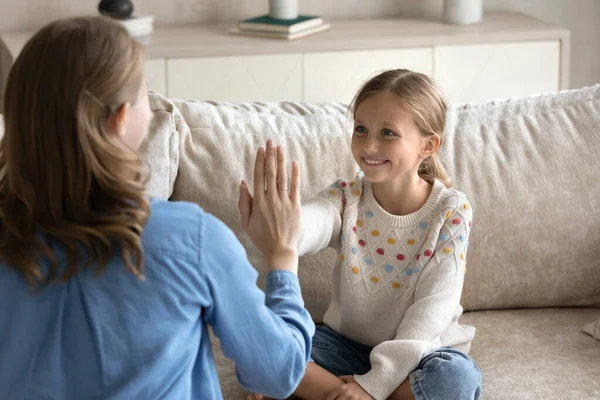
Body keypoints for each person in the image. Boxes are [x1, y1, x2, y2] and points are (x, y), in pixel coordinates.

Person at [0, 16, 314, 400]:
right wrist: (282, 256)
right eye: (145, 93)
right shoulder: (191, 239)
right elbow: (278, 373)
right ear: (120, 119)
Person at [248, 69, 482, 400]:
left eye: (388, 133)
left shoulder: (451, 211)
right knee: (261, 343)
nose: (369, 145)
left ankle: (332, 393)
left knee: (455, 378)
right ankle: (345, 394)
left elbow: (431, 314)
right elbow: (310, 224)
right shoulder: (347, 197)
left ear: (428, 145)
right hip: (344, 347)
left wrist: (374, 385)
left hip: (421, 355)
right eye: (361, 129)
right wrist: (280, 226)